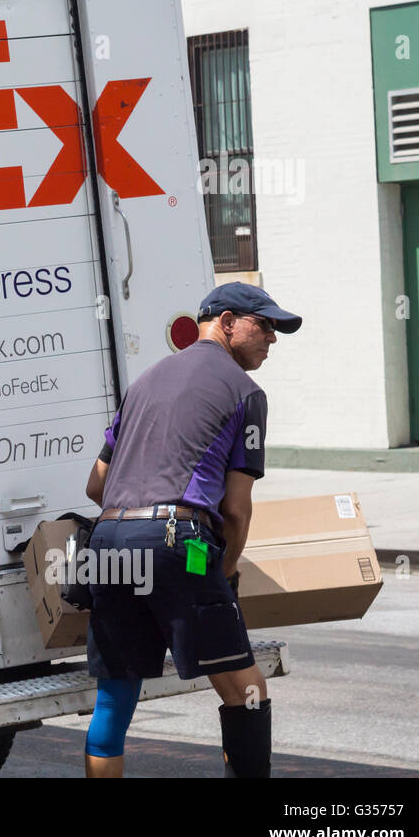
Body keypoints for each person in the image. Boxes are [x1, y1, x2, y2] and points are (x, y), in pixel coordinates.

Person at [80, 282, 301, 778]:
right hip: (176, 539)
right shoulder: (245, 393)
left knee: (115, 697)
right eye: (264, 325)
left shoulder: (145, 383)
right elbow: (237, 510)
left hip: (109, 541)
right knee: (246, 690)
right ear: (226, 321)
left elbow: (96, 484)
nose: (272, 338)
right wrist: (221, 572)